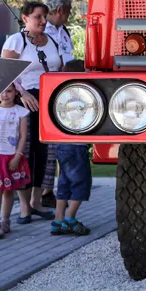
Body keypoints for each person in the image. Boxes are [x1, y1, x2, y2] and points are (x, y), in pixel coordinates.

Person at [1, 1, 63, 222]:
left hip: (49, 101)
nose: (44, 21)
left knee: (45, 153)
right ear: (25, 18)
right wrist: (23, 93)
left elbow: (59, 68)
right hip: (26, 101)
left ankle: (37, 200)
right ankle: (24, 206)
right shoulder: (16, 41)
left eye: (45, 17)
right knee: (25, 152)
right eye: (38, 17)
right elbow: (5, 73)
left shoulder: (52, 41)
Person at [51, 60, 92, 236]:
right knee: (81, 184)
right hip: (77, 145)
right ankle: (70, 218)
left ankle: (57, 220)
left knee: (64, 183)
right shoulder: (83, 95)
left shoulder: (62, 94)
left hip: (61, 144)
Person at [42, 0, 75, 206]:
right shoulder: (43, 32)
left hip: (66, 88)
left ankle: (61, 187)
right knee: (49, 146)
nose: (69, 15)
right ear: (61, 10)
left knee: (62, 144)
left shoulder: (65, 32)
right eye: (69, 11)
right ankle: (45, 191)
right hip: (49, 89)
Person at [0, 82, 31, 239]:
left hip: (12, 155)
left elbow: (23, 135)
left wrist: (18, 156)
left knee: (9, 190)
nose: (5, 94)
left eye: (9, 91)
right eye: (2, 91)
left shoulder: (21, 113)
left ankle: (6, 219)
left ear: (16, 93)